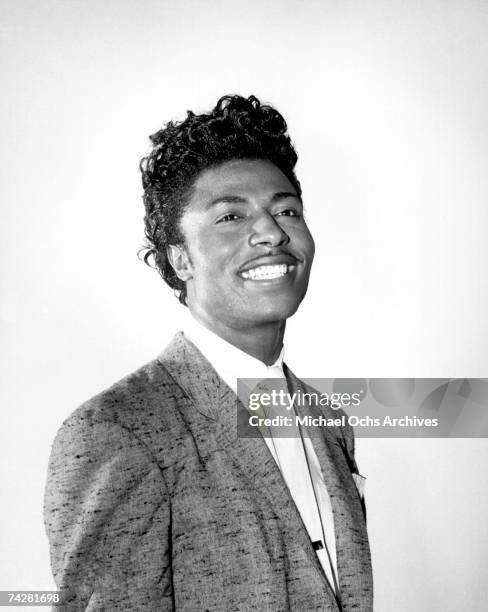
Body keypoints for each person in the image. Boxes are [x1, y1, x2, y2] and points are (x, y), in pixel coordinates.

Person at [44, 95, 373, 611]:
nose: (271, 232)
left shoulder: (330, 422)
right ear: (179, 258)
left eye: (286, 209)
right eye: (230, 217)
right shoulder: (116, 431)